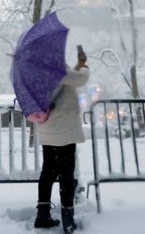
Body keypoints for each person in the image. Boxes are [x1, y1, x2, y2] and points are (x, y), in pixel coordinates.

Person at [34, 47, 89, 233]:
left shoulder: (39, 70)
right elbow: (79, 79)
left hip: (49, 130)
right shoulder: (55, 67)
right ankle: (68, 219)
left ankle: (42, 215)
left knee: (48, 172)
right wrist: (84, 66)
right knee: (66, 174)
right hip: (63, 131)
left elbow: (67, 81)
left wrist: (76, 66)